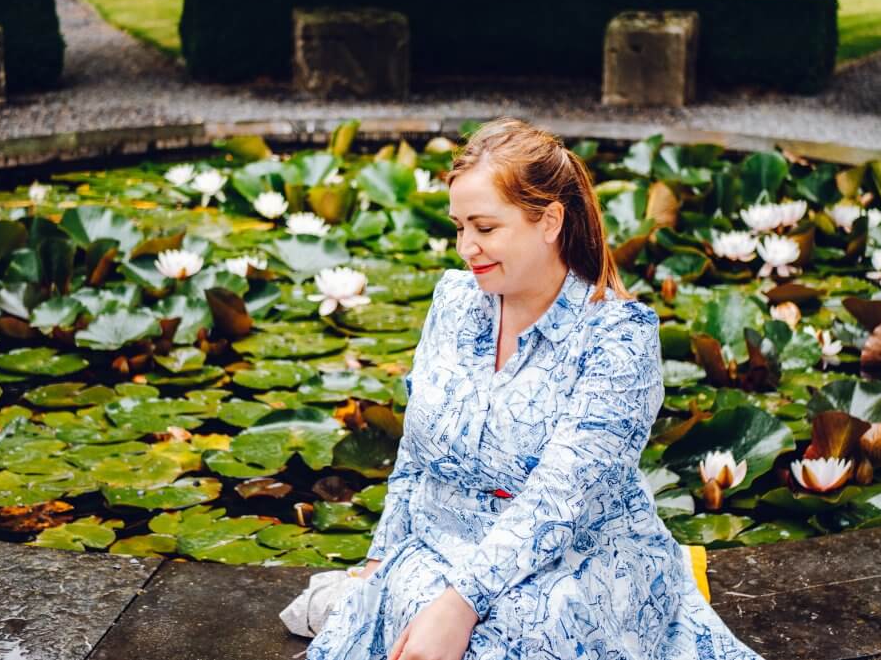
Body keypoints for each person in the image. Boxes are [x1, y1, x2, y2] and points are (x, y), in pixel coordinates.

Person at [306, 118, 765, 660]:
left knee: (523, 632)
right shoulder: (454, 301)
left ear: (548, 221)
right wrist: (382, 560)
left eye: (484, 227)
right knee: (414, 613)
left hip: (576, 557)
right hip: (440, 542)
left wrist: (461, 602)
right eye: (459, 227)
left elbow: (561, 500)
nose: (465, 247)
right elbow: (417, 454)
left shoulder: (618, 338)